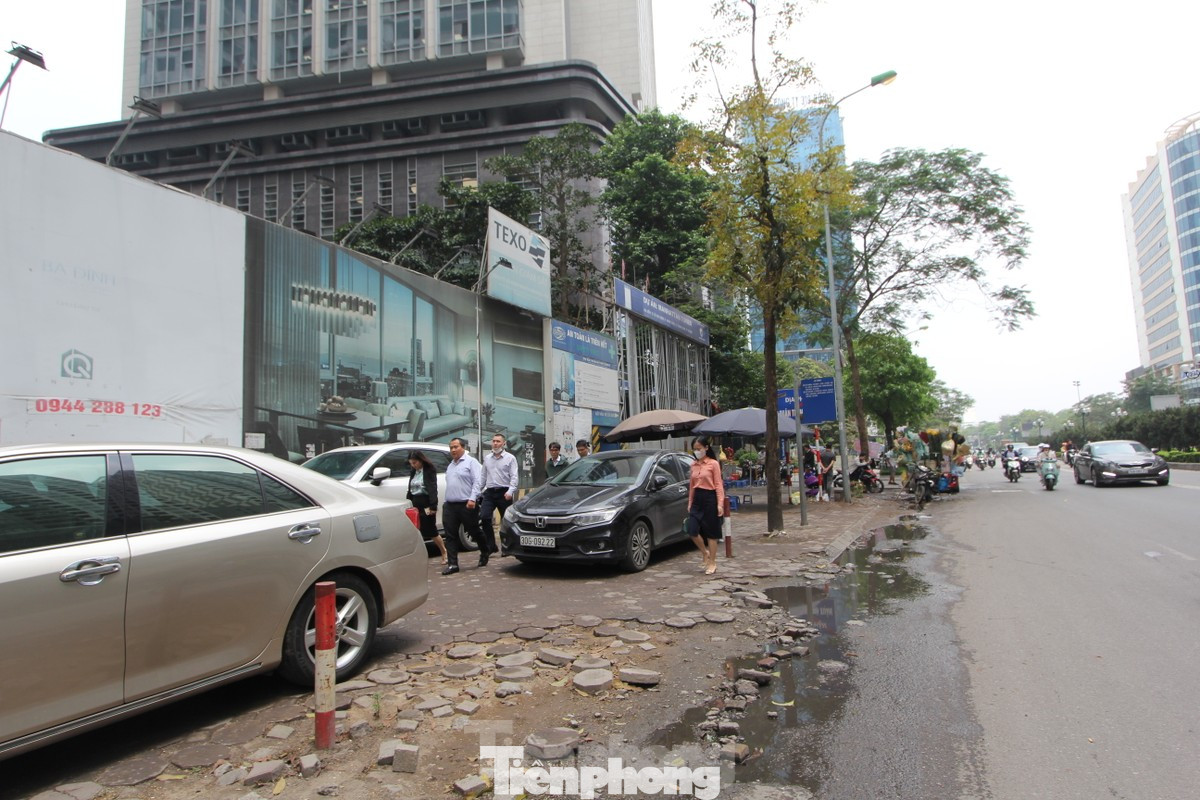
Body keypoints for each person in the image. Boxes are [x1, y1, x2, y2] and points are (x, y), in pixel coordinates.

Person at [440, 437, 484, 575]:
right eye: (451, 447)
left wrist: (472, 499)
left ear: (463, 447)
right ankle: (453, 564)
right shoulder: (451, 465)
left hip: (467, 504)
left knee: (473, 530)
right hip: (450, 505)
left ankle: (485, 550)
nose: (453, 450)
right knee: (450, 535)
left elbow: (478, 482)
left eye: (455, 447)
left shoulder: (471, 462)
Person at [475, 432, 518, 565]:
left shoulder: (510, 458)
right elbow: (482, 477)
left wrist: (511, 491)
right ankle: (491, 545)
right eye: (493, 441)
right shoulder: (487, 458)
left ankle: (506, 546)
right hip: (489, 492)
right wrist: (477, 492)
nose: (495, 443)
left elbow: (514, 476)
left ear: (503, 443)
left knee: (506, 521)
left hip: (504, 492)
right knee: (485, 517)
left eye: (498, 441)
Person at [687, 436, 726, 575]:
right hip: (697, 497)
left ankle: (713, 562)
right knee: (692, 529)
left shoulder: (713, 464)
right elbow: (692, 486)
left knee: (711, 532)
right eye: (695, 449)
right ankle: (705, 552)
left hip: (710, 497)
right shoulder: (693, 465)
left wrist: (720, 503)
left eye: (699, 448)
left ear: (706, 448)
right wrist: (690, 503)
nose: (697, 451)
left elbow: (718, 484)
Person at [406, 451, 447, 565]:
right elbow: (410, 488)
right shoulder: (414, 471)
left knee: (431, 529)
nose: (413, 465)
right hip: (415, 503)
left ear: (420, 460)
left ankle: (444, 551)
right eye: (411, 464)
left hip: (426, 502)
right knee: (416, 529)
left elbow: (432, 488)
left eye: (414, 463)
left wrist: (433, 505)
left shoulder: (429, 470)